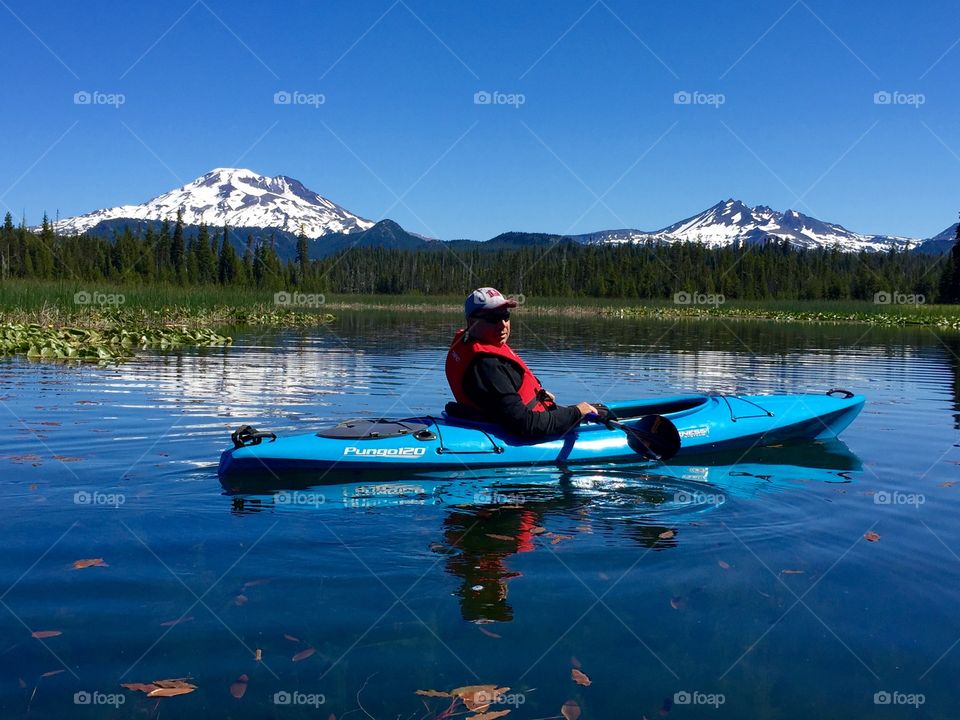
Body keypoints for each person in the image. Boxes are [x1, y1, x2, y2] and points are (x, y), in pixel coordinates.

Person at [445, 287, 603, 437]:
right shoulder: (487, 365)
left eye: (505, 316)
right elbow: (525, 424)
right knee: (587, 412)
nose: (503, 325)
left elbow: (497, 397)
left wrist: (538, 395)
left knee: (601, 410)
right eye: (493, 318)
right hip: (521, 430)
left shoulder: (474, 346)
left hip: (507, 417)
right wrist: (576, 413)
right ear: (472, 323)